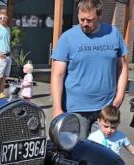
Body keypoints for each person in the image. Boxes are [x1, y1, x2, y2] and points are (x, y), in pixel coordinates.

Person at [51, 0, 128, 136]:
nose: (85, 23)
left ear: (100, 15)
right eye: (82, 19)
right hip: (76, 109)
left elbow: (122, 66)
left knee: (102, 153)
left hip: (106, 109)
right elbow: (57, 75)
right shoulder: (67, 38)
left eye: (89, 20)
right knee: (77, 152)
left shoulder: (113, 33)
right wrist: (57, 108)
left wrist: (120, 96)